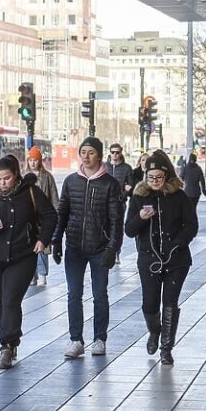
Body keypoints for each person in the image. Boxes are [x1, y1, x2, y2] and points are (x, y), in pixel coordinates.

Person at [0, 155, 57, 369]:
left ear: (16, 175)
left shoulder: (29, 192)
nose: (2, 183)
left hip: (22, 256)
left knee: (10, 300)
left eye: (7, 178)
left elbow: (50, 216)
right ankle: (12, 339)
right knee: (1, 302)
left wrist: (43, 240)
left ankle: (6, 347)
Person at [52, 137, 123, 358]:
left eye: (91, 152)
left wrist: (113, 247)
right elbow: (62, 212)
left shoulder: (110, 183)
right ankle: (76, 340)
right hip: (74, 246)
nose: (86, 156)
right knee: (74, 294)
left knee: (99, 294)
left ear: (99, 155)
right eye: (83, 151)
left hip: (100, 247)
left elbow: (116, 220)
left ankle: (100, 339)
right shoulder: (71, 181)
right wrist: (56, 239)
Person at [125, 150, 197, 365]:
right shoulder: (139, 197)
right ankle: (154, 331)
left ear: (166, 177)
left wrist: (178, 244)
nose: (155, 181)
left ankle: (166, 347)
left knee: (170, 302)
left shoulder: (179, 196)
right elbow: (129, 230)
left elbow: (191, 225)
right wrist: (140, 218)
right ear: (145, 177)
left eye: (159, 177)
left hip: (176, 260)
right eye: (151, 177)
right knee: (149, 303)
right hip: (149, 260)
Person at [24, 146, 59, 286]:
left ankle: (43, 274)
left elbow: (54, 196)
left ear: (40, 161)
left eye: (35, 160)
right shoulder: (23, 175)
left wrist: (56, 214)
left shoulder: (47, 177)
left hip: (43, 217)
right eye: (30, 160)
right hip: (29, 217)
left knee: (43, 246)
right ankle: (32, 275)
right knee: (29, 247)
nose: (33, 163)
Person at [106, 143, 134, 264]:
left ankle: (116, 252)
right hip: (104, 202)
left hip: (119, 203)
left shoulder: (126, 168)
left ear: (121, 152)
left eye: (117, 152)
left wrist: (122, 197)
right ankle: (106, 250)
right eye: (113, 152)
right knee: (105, 226)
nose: (115, 155)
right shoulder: (104, 166)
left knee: (117, 228)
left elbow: (130, 186)